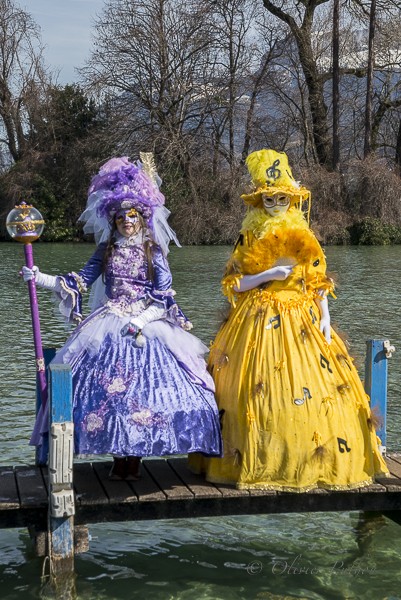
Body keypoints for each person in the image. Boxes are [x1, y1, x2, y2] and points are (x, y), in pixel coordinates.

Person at [189, 149, 388, 490]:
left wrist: (325, 316)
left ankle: (305, 460)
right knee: (252, 391)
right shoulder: (248, 237)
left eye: (282, 197)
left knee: (313, 391)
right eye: (270, 198)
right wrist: (269, 273)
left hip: (303, 318)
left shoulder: (304, 236)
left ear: (292, 199)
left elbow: (317, 281)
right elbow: (234, 283)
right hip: (256, 317)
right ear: (259, 200)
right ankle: (253, 459)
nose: (276, 203)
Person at [23, 155, 222, 480]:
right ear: (113, 220)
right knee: (107, 393)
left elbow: (164, 296)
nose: (127, 222)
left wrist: (141, 322)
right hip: (107, 323)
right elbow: (79, 281)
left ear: (142, 218)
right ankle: (119, 456)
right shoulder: (106, 249)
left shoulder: (153, 251)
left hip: (148, 325)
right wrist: (38, 276)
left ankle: (137, 457)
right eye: (120, 217)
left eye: (132, 216)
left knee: (148, 391)